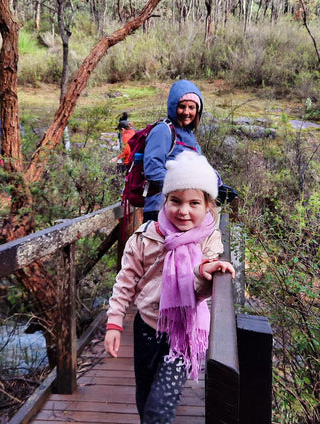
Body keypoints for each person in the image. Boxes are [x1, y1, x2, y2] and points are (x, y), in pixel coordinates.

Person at [104, 150, 235, 424]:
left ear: (208, 206)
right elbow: (125, 283)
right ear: (165, 200)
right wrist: (114, 324)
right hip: (146, 329)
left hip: (182, 333)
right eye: (175, 200)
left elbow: (199, 288)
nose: (183, 211)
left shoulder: (209, 240)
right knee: (144, 400)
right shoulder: (145, 237)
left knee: (159, 409)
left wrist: (204, 271)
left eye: (194, 203)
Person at [142, 80, 204, 222]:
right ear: (173, 106)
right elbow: (152, 169)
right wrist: (182, 186)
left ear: (198, 110)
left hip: (184, 211)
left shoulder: (190, 136)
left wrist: (215, 184)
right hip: (159, 209)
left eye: (191, 107)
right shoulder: (163, 130)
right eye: (182, 106)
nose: (187, 112)